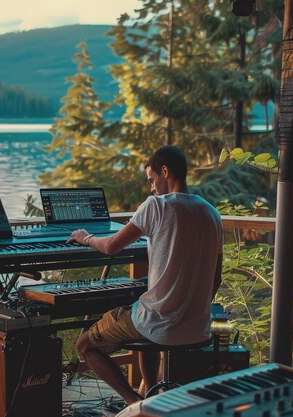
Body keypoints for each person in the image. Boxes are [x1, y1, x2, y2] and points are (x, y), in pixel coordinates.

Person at [66, 145, 223, 404]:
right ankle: (149, 389)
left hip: (160, 324)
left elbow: (111, 246)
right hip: (198, 328)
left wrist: (86, 238)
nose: (151, 187)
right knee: (140, 310)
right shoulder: (211, 213)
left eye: (152, 180)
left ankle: (134, 403)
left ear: (165, 171)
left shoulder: (156, 206)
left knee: (85, 345)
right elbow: (216, 278)